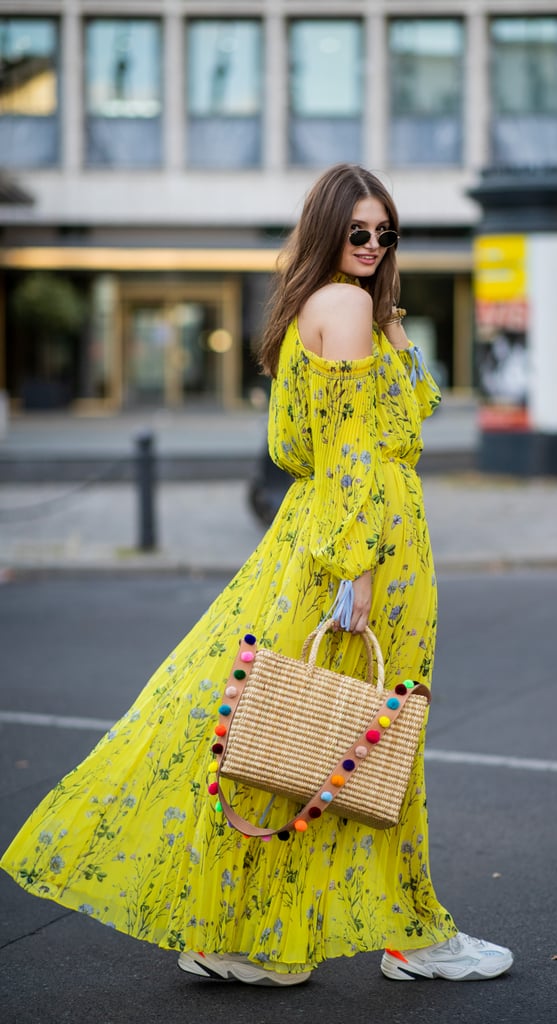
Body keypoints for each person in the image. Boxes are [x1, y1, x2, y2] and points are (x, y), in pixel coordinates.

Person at [0, 164, 513, 986]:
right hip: (364, 545)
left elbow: (409, 413)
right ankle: (408, 935)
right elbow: (352, 452)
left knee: (307, 741)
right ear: (327, 234)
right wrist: (360, 572)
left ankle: (255, 934)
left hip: (335, 535)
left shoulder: (343, 309)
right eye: (359, 233)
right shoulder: (344, 307)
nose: (374, 247)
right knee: (365, 740)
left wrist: (397, 334)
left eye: (387, 234)